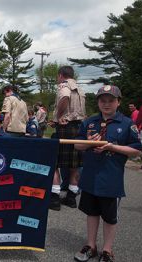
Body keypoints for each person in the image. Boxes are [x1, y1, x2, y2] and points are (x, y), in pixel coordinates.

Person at [73, 85, 141, 262]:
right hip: (90, 176)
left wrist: (112, 147)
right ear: (98, 102)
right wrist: (88, 142)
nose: (106, 104)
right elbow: (76, 145)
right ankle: (91, 246)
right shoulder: (89, 122)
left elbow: (136, 151)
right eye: (103, 100)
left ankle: (107, 250)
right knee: (91, 212)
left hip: (111, 179)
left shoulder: (127, 124)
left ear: (119, 102)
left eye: (111, 100)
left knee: (110, 217)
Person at [50, 66, 86, 211]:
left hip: (65, 128)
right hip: (78, 128)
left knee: (54, 163)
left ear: (60, 75)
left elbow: (65, 97)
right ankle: (71, 198)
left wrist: (58, 117)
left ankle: (54, 199)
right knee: (74, 166)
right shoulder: (80, 89)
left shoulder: (64, 86)